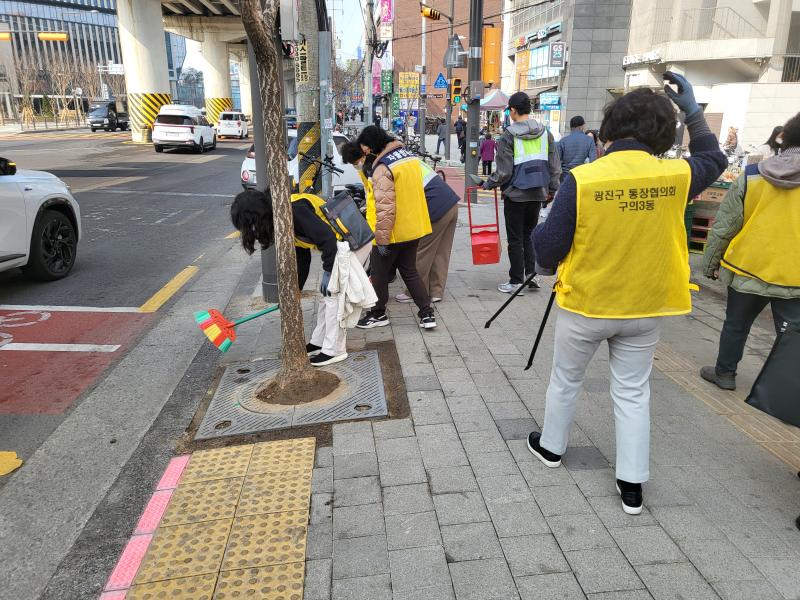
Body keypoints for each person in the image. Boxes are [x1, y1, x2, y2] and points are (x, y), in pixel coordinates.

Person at [527, 73, 727, 515]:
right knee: (633, 392)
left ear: (609, 131)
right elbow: (714, 156)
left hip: (587, 304)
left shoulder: (584, 179)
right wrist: (693, 112)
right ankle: (632, 484)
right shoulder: (678, 174)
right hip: (647, 305)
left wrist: (543, 238)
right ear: (663, 134)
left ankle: (551, 449)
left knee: (566, 380)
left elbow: (548, 247)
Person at [700, 113, 800, 391]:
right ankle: (783, 388)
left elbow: (726, 224)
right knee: (792, 336)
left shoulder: (753, 175)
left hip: (747, 266)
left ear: (784, 138)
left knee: (736, 325)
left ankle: (725, 374)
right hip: (794, 275)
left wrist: (710, 263)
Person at [230, 188, 374, 366]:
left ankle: (334, 350)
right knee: (327, 297)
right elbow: (303, 257)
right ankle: (319, 342)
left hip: (354, 243)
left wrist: (329, 273)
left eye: (250, 225)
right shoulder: (281, 217)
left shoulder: (294, 211)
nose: (252, 231)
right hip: (340, 246)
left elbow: (327, 239)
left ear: (256, 216)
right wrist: (295, 291)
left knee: (335, 298)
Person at [342, 141, 459, 304]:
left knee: (421, 252)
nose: (359, 165)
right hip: (450, 202)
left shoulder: (384, 167)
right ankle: (436, 291)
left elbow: (387, 202)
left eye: (357, 162)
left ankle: (415, 293)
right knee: (440, 252)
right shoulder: (401, 157)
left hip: (434, 207)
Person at [352, 126, 437, 330]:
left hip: (393, 231)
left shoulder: (383, 167)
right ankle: (427, 314)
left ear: (372, 147)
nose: (365, 155)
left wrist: (381, 240)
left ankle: (378, 313)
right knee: (409, 271)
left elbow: (384, 209)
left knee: (380, 273)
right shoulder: (408, 157)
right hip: (414, 226)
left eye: (365, 150)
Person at [481, 91, 560, 295]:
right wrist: (551, 189)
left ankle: (516, 280)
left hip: (515, 195)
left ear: (513, 111)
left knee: (515, 239)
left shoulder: (508, 135)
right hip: (537, 193)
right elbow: (554, 166)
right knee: (530, 235)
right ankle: (532, 277)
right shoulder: (545, 133)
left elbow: (504, 171)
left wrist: (489, 184)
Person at [557, 115, 597, 181]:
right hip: (582, 176)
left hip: (565, 176)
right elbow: (593, 161)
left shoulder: (563, 141)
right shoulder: (589, 140)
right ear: (582, 126)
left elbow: (557, 162)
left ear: (571, 127)